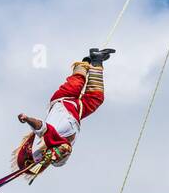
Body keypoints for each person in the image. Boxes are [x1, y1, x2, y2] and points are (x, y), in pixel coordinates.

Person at [15, 48, 114, 179]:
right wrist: (55, 157)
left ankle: (84, 63)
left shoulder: (50, 137)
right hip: (77, 111)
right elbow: (60, 159)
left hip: (63, 100)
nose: (64, 151)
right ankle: (96, 60)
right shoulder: (62, 153)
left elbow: (40, 126)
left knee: (77, 81)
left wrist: (27, 119)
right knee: (97, 97)